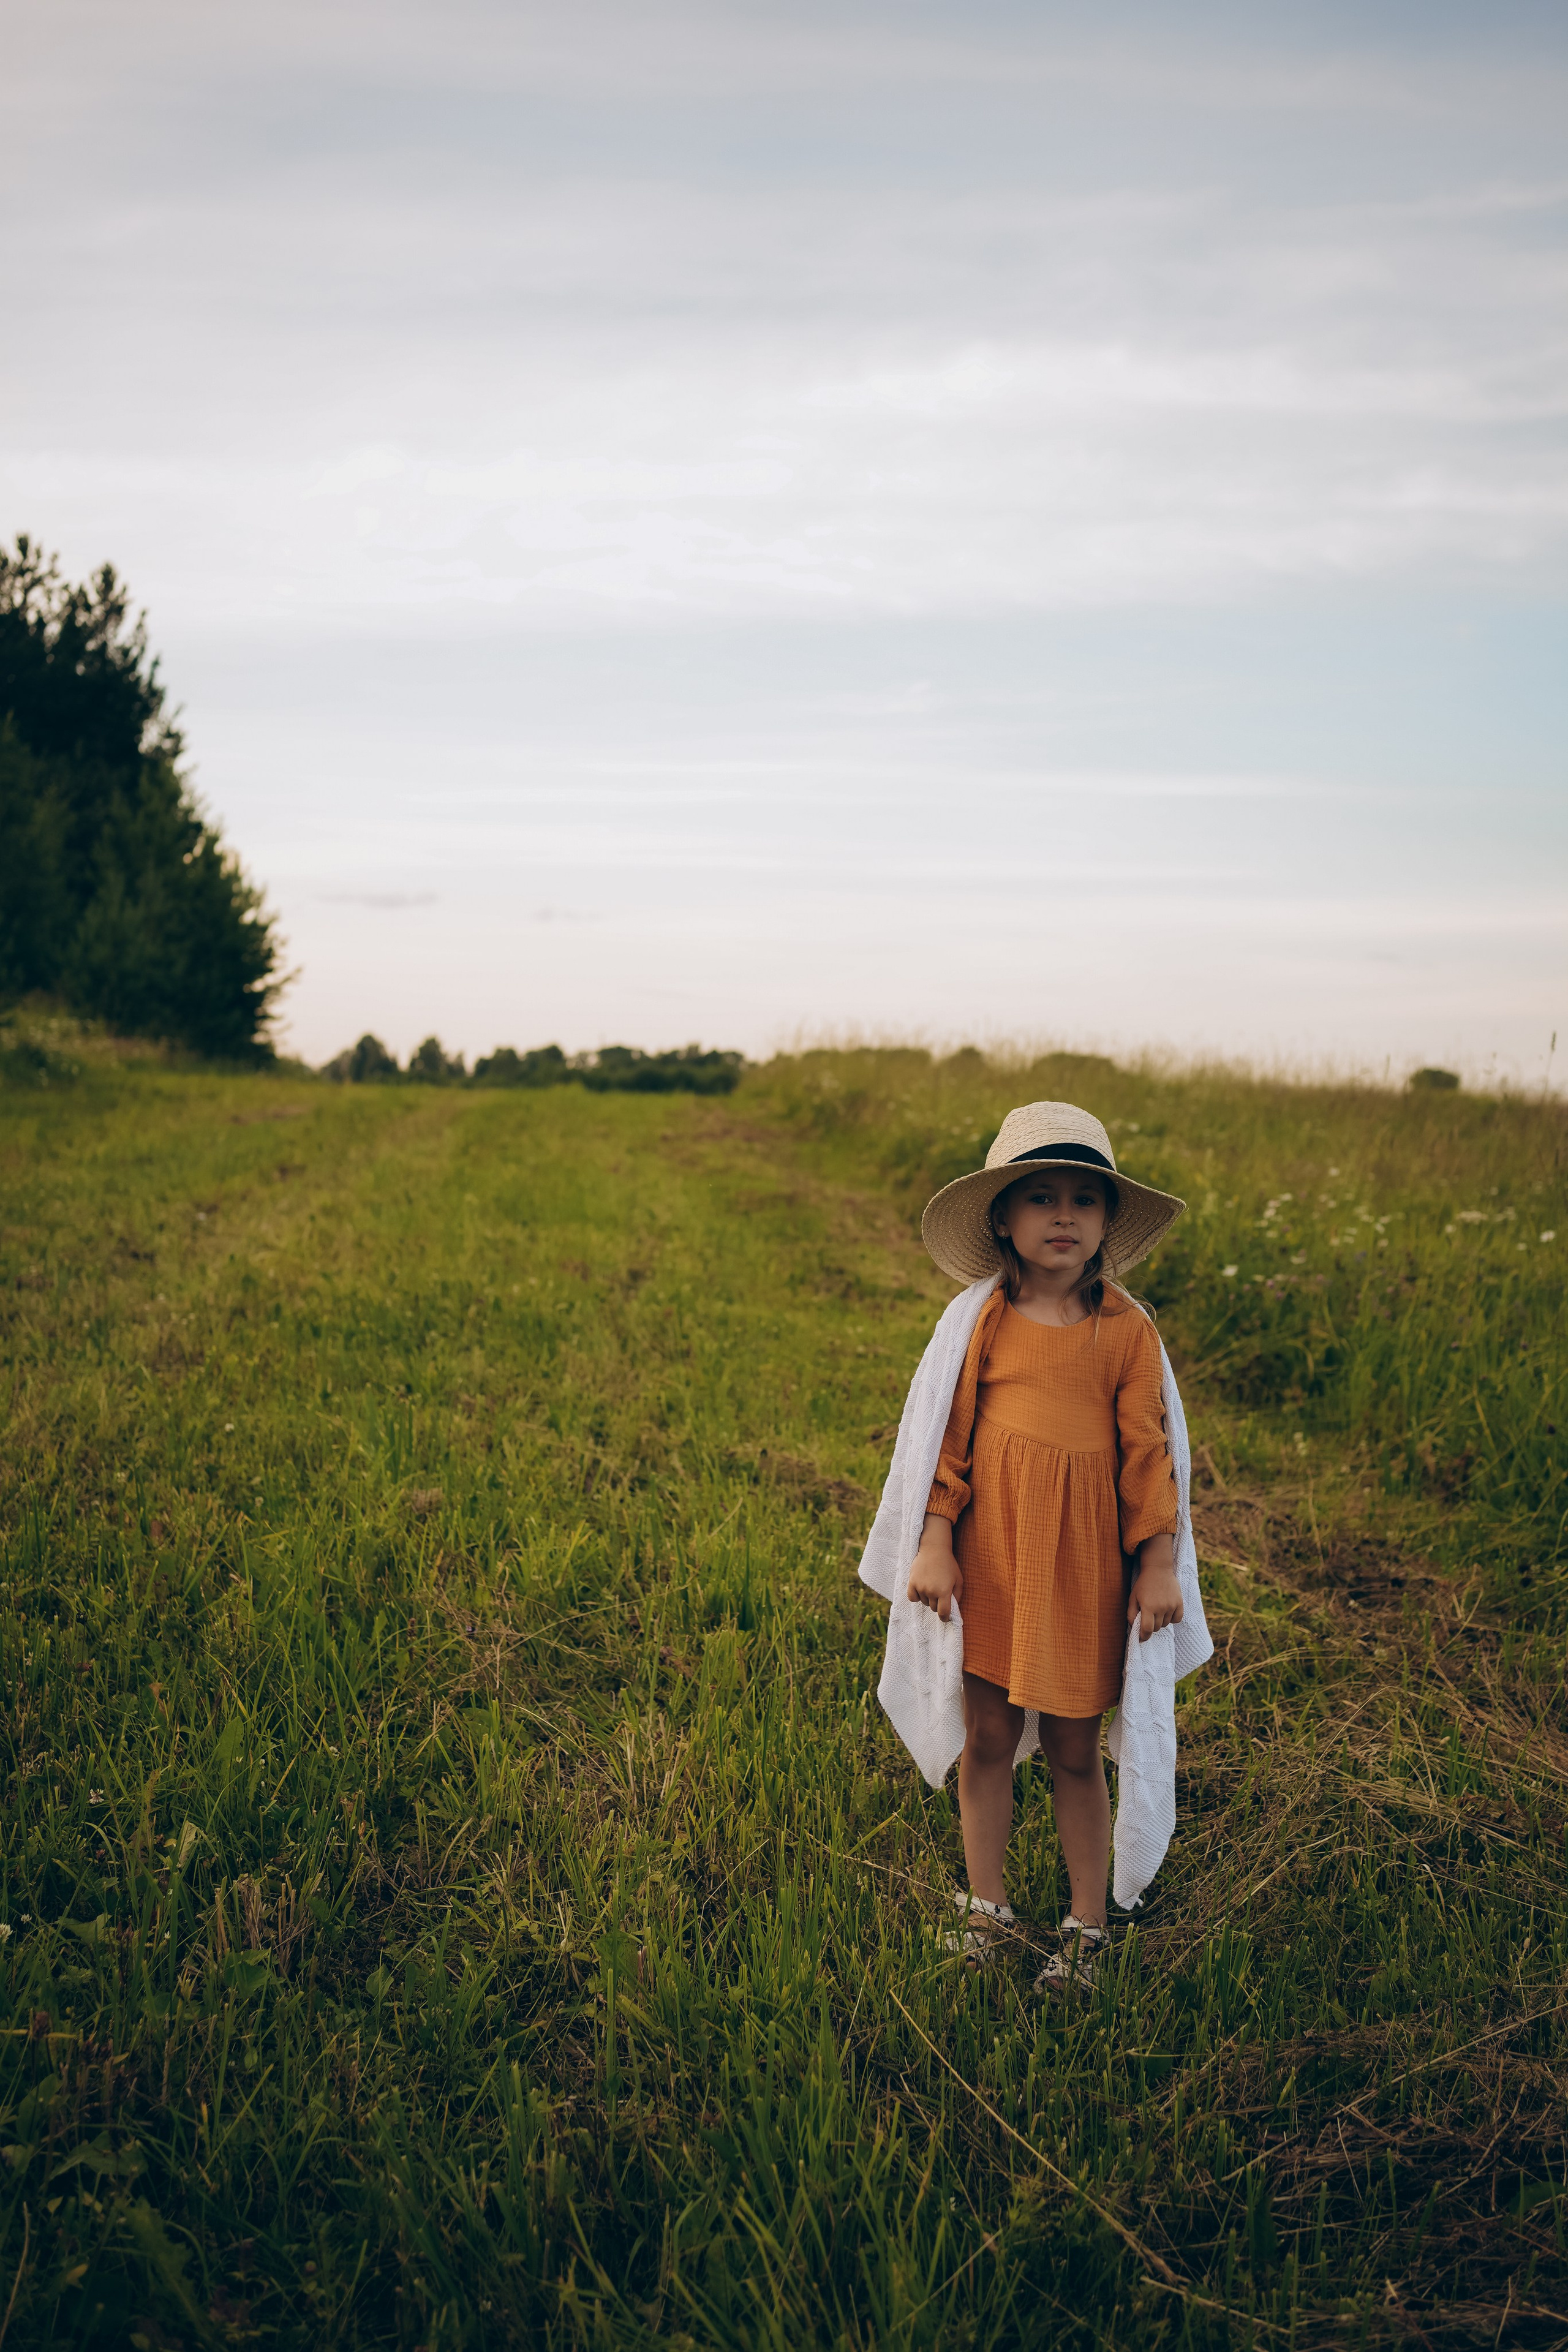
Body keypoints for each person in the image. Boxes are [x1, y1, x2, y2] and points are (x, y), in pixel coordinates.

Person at [858, 1101, 1212, 1993]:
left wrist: (1159, 1562)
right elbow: (947, 1441)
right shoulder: (980, 1323)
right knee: (987, 1735)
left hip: (1086, 1572)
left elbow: (1148, 1454)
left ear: (1106, 1225)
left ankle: (1087, 1923)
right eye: (1043, 1198)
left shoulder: (1125, 1331)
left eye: (1086, 1201)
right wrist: (934, 1541)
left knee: (1071, 1749)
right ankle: (987, 1906)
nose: (1065, 1217)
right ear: (1004, 1221)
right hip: (996, 1564)